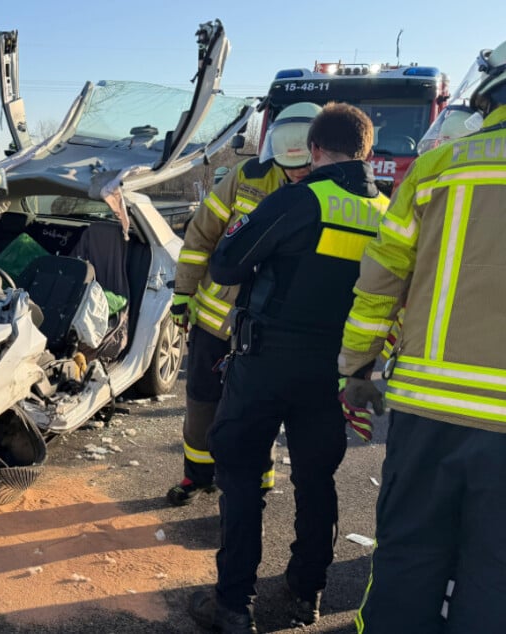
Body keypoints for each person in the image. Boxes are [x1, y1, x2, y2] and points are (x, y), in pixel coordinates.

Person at [187, 102, 389, 634]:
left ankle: (233, 604)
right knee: (316, 481)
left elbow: (226, 263)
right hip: (335, 370)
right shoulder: (387, 212)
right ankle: (306, 594)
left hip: (267, 361)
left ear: (315, 149)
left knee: (240, 476)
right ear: (367, 151)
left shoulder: (300, 199)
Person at [339, 43, 506, 634]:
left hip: (427, 410)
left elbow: (381, 280)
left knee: (408, 555)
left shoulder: (438, 168)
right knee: (496, 574)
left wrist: (356, 368)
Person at [167, 102, 321, 507]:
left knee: (258, 408)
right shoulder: (247, 177)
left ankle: (257, 481)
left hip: (271, 328)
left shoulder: (327, 192)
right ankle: (197, 476)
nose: (297, 171)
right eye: (288, 162)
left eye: (305, 162)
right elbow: (202, 234)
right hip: (216, 321)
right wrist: (183, 294)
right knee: (202, 400)